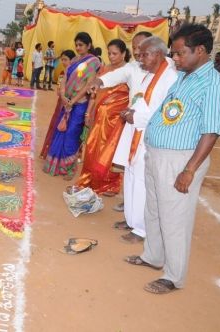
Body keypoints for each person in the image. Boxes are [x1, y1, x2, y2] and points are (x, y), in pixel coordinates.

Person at [126, 24, 220, 294]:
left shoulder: (214, 84)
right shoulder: (185, 76)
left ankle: (173, 276)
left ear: (201, 51)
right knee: (155, 210)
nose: (176, 59)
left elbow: (211, 130)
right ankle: (153, 256)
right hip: (157, 154)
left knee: (175, 219)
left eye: (181, 53)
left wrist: (189, 170)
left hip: (180, 160)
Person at [116, 37, 178, 243]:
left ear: (158, 54)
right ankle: (131, 220)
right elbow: (141, 100)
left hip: (150, 135)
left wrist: (137, 116)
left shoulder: (170, 77)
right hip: (136, 131)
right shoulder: (150, 75)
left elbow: (164, 111)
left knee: (142, 181)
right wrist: (130, 111)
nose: (140, 59)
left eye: (145, 54)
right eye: (140, 54)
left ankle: (142, 228)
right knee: (131, 176)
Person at [88, 31, 153, 223]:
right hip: (133, 126)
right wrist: (99, 81)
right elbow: (115, 76)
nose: (137, 51)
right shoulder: (133, 67)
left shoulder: (165, 68)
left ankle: (140, 220)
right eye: (134, 47)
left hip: (150, 128)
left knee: (143, 173)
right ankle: (131, 212)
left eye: (141, 47)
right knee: (131, 169)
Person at [43, 33, 101, 179]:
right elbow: (65, 78)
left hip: (79, 104)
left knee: (72, 134)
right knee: (61, 131)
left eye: (81, 45)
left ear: (89, 45)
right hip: (66, 103)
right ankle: (57, 165)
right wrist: (63, 95)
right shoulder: (74, 60)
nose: (78, 47)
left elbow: (88, 84)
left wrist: (73, 100)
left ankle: (70, 168)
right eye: (76, 45)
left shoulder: (93, 62)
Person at [77, 39, 131, 196]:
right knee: (93, 147)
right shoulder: (104, 70)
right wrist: (89, 112)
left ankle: (109, 184)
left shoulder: (128, 72)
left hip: (115, 120)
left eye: (115, 53)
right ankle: (90, 179)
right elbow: (94, 94)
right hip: (99, 116)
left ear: (124, 54)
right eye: (109, 53)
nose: (111, 56)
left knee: (110, 151)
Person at [40, 49, 75, 159]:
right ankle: (52, 151)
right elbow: (58, 91)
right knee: (57, 125)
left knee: (66, 127)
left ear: (72, 60)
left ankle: (63, 154)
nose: (63, 62)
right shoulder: (62, 73)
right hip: (60, 103)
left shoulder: (75, 74)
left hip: (70, 103)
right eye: (62, 60)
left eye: (66, 60)